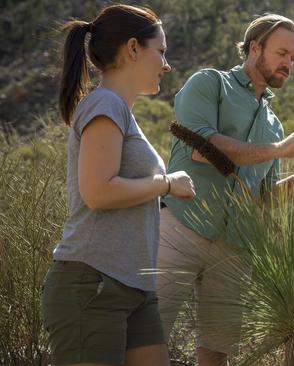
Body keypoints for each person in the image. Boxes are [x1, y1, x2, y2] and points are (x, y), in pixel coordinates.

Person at [156, 13, 294, 366]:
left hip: (236, 247)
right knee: (148, 334)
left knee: (217, 351)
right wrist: (280, 149)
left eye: (293, 58)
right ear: (255, 47)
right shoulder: (209, 84)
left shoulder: (274, 124)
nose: (288, 63)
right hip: (181, 227)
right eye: (282, 53)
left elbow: (263, 199)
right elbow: (201, 146)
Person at [40, 4, 195, 366]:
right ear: (132, 49)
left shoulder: (120, 111)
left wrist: (165, 196)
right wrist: (167, 185)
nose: (166, 64)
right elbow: (98, 192)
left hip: (135, 288)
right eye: (161, 51)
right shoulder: (104, 104)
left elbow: (122, 192)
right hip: (92, 283)